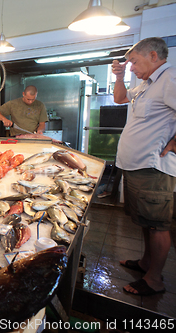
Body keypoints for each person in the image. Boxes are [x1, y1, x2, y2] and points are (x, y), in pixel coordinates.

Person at [111, 37, 176, 296]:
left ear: (152, 55)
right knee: (146, 221)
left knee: (158, 224)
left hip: (153, 167)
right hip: (137, 165)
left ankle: (154, 280)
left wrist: (174, 143)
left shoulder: (169, 78)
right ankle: (147, 263)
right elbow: (119, 99)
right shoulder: (148, 83)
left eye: (134, 62)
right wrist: (119, 77)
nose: (132, 67)